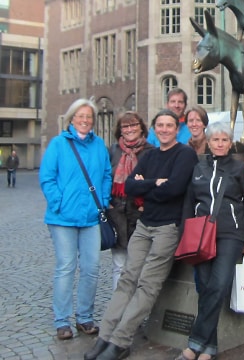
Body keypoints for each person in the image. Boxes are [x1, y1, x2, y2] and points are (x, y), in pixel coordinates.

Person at [84, 109, 198, 360]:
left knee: (147, 285)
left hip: (167, 228)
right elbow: (130, 186)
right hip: (144, 225)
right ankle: (104, 336)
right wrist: (155, 183)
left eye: (169, 125)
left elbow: (175, 188)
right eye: (160, 125)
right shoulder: (151, 155)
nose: (165, 129)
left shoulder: (185, 154)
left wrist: (148, 186)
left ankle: (120, 341)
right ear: (155, 129)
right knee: (127, 279)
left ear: (176, 129)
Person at [176, 122, 244, 360]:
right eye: (216, 140)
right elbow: (188, 202)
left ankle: (194, 345)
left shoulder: (239, 168)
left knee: (219, 284)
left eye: (224, 140)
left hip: (230, 233)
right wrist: (185, 232)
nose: (220, 144)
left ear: (230, 142)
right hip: (201, 234)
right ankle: (209, 348)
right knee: (205, 287)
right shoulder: (199, 167)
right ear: (209, 143)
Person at [39, 98, 112, 340]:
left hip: (91, 218)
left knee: (91, 269)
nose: (85, 120)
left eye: (89, 117)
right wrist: (58, 202)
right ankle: (62, 320)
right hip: (62, 219)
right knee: (66, 268)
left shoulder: (99, 145)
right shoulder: (58, 144)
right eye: (80, 116)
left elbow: (105, 175)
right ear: (72, 119)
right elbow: (47, 177)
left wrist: (101, 201)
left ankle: (84, 317)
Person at [107, 112, 154, 290]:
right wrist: (108, 203)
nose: (129, 129)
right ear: (120, 130)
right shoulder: (113, 151)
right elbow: (105, 178)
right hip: (118, 212)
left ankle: (137, 309)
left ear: (141, 127)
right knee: (119, 264)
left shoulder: (150, 152)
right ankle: (117, 308)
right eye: (125, 126)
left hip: (140, 213)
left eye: (133, 125)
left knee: (140, 264)